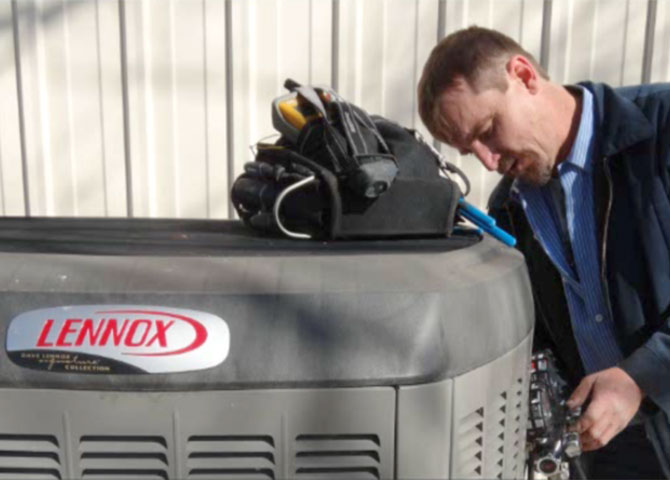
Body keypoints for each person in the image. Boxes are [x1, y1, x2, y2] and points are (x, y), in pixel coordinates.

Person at [418, 26, 670, 479]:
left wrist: (643, 377)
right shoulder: (509, 211)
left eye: (489, 130)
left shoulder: (663, 130)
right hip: (613, 452)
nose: (488, 161)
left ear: (523, 74)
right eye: (468, 150)